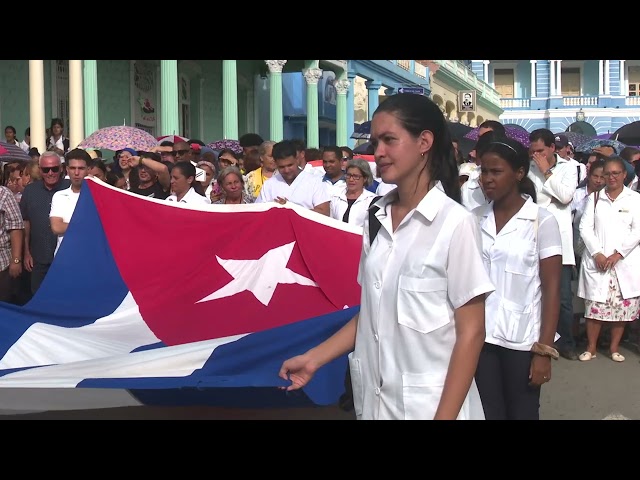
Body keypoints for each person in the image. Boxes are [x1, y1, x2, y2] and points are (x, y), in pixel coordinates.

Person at [278, 93, 495, 420]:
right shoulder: (376, 219)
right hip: (378, 406)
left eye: (390, 140)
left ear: (424, 142)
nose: (377, 152)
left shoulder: (455, 224)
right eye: (376, 141)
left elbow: (472, 333)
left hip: (432, 407)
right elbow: (373, 314)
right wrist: (315, 358)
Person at [472, 136, 562, 420]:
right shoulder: (473, 219)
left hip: (522, 341)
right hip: (480, 337)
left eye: (496, 171)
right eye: (483, 171)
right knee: (487, 412)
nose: (487, 179)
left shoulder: (541, 221)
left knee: (522, 412)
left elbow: (552, 289)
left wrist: (543, 351)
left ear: (519, 173)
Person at [577, 156, 640, 362]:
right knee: (594, 307)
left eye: (616, 173)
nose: (611, 177)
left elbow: (637, 231)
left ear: (624, 175)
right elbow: (585, 227)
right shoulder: (595, 198)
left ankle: (614, 348)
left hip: (624, 262)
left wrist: (618, 254)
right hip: (599, 262)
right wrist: (598, 253)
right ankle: (591, 348)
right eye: (608, 173)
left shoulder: (634, 199)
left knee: (621, 308)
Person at [528, 128, 579, 360]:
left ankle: (566, 342)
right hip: (534, 235)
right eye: (533, 151)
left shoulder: (569, 168)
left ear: (551, 148)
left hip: (560, 241)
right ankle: (539, 339)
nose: (536, 155)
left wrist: (546, 172)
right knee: (536, 293)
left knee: (563, 298)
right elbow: (530, 199)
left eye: (540, 150)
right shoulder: (528, 169)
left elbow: (566, 196)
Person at [49, 149, 90, 257]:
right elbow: (57, 227)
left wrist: (68, 226)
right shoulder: (59, 196)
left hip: (91, 257)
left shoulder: (98, 196)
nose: (76, 173)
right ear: (67, 169)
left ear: (88, 170)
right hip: (64, 257)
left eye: (81, 168)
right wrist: (88, 226)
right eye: (72, 168)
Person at [329, 158, 376, 228]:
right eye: (348, 175)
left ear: (365, 178)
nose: (351, 179)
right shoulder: (336, 197)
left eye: (356, 176)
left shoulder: (372, 200)